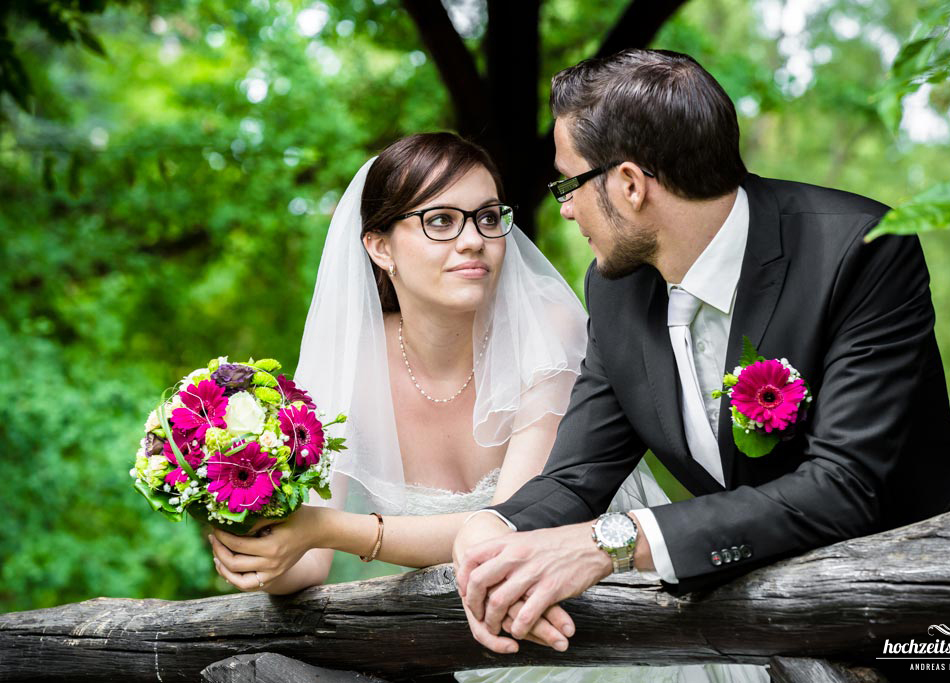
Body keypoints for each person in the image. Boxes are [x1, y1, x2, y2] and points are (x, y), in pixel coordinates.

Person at [453, 49, 950, 658]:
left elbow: (843, 486)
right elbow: (580, 474)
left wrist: (607, 544)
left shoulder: (859, 249)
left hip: (948, 607)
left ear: (630, 185)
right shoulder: (614, 290)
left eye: (568, 182)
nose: (566, 207)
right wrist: (494, 527)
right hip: (781, 630)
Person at [207, 132, 767, 682]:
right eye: (441, 221)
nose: (473, 240)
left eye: (488, 217)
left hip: (606, 619)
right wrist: (258, 547)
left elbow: (511, 524)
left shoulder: (546, 332)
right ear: (379, 246)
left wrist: (326, 528)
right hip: (469, 645)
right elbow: (310, 562)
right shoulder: (350, 362)